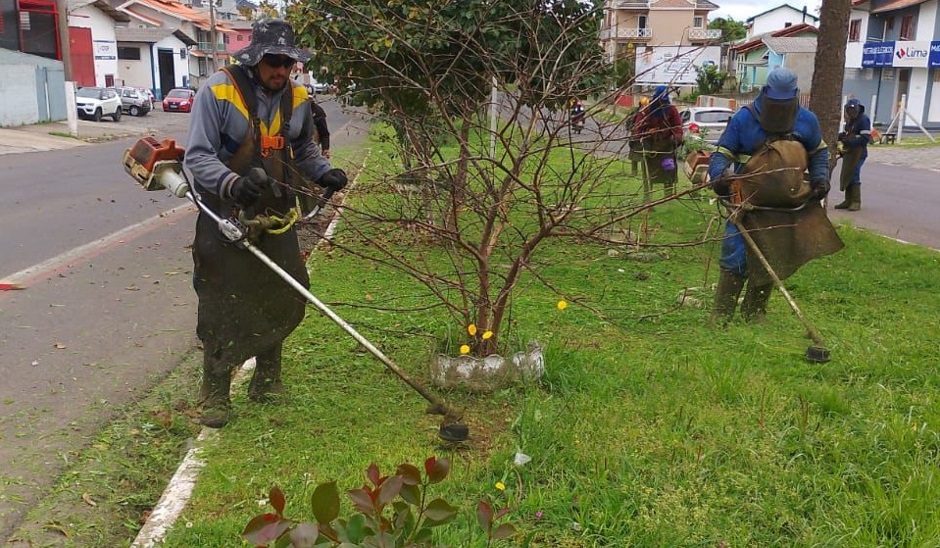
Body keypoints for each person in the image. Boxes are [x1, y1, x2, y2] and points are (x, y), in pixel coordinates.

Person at [183, 18, 348, 427]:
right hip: (225, 212)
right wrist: (231, 184)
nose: (281, 70)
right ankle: (216, 392)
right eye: (274, 61)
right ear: (255, 58)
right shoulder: (218, 91)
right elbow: (197, 156)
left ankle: (267, 378)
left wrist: (324, 172)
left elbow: (303, 149)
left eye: (288, 63)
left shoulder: (298, 96)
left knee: (284, 290)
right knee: (222, 300)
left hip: (276, 211)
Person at [706, 67, 843, 325]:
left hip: (783, 207)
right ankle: (721, 314)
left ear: (795, 96)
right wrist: (719, 176)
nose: (779, 108)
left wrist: (820, 178)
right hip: (746, 204)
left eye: (784, 104)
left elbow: (819, 153)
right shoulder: (744, 119)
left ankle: (754, 312)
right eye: (774, 103)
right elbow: (722, 153)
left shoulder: (807, 121)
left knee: (772, 253)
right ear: (765, 93)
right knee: (736, 255)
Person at [631, 85, 682, 198]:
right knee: (649, 174)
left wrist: (676, 138)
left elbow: (678, 128)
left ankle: (668, 197)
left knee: (668, 169)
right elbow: (636, 129)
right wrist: (648, 132)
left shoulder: (672, 110)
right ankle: (647, 198)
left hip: (666, 147)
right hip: (650, 147)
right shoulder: (646, 110)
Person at [834, 98, 870, 211]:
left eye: (853, 110)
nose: (851, 112)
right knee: (848, 174)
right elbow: (848, 132)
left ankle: (856, 201)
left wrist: (851, 141)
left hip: (859, 153)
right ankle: (848, 200)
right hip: (850, 152)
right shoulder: (850, 121)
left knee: (854, 174)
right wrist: (841, 136)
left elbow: (865, 138)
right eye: (849, 110)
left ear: (858, 109)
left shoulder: (864, 120)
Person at [297, 100, 332, 217]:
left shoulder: (317, 112)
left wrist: (325, 149)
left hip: (310, 154)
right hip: (291, 154)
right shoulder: (291, 109)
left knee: (310, 184)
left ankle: (313, 213)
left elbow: (324, 133)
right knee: (296, 184)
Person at [626, 96, 650, 176]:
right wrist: (632, 129)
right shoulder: (636, 112)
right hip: (635, 136)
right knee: (634, 154)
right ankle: (634, 172)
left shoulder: (648, 113)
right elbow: (630, 121)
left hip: (644, 137)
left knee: (644, 155)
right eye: (644, 105)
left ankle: (644, 172)